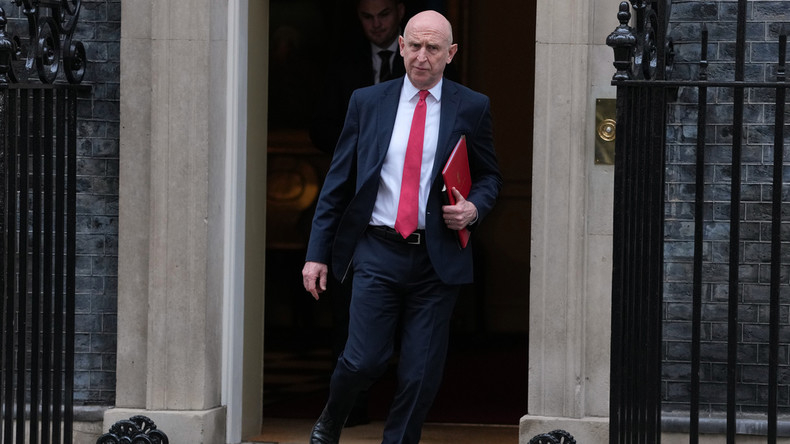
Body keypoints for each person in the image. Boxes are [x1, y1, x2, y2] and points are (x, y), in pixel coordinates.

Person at [302, 10, 502, 444]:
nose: (421, 56)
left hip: (437, 257)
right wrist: (316, 254)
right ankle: (333, 416)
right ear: (401, 45)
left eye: (433, 48)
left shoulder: (472, 106)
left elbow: (490, 176)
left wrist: (473, 209)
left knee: (420, 372)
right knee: (363, 360)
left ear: (450, 53)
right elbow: (337, 184)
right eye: (414, 45)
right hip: (378, 250)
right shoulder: (367, 102)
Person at [309, 0, 407, 427]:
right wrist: (362, 150)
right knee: (349, 315)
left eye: (383, 15)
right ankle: (348, 409)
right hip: (352, 204)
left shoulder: (423, 62)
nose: (376, 24)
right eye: (367, 16)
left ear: (399, 12)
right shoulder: (344, 65)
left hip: (409, 213)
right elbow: (320, 127)